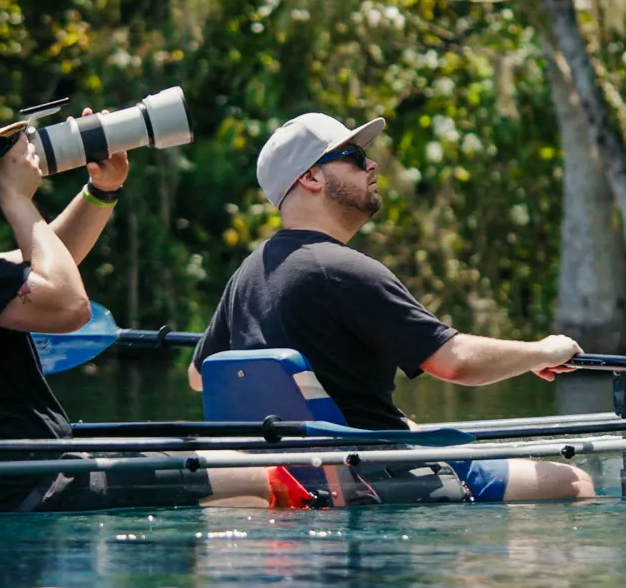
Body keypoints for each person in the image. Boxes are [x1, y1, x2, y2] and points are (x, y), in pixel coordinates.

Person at [0, 89, 270, 512]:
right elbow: (68, 305)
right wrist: (15, 197)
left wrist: (101, 191)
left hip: (3, 482)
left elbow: (44, 266)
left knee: (210, 459)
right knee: (258, 479)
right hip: (26, 485)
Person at [190, 112, 598, 502]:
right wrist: (542, 352)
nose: (372, 165)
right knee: (574, 482)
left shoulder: (247, 272)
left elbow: (199, 375)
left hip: (297, 474)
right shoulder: (346, 270)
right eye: (352, 157)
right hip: (376, 475)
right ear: (311, 177)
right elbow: (455, 362)